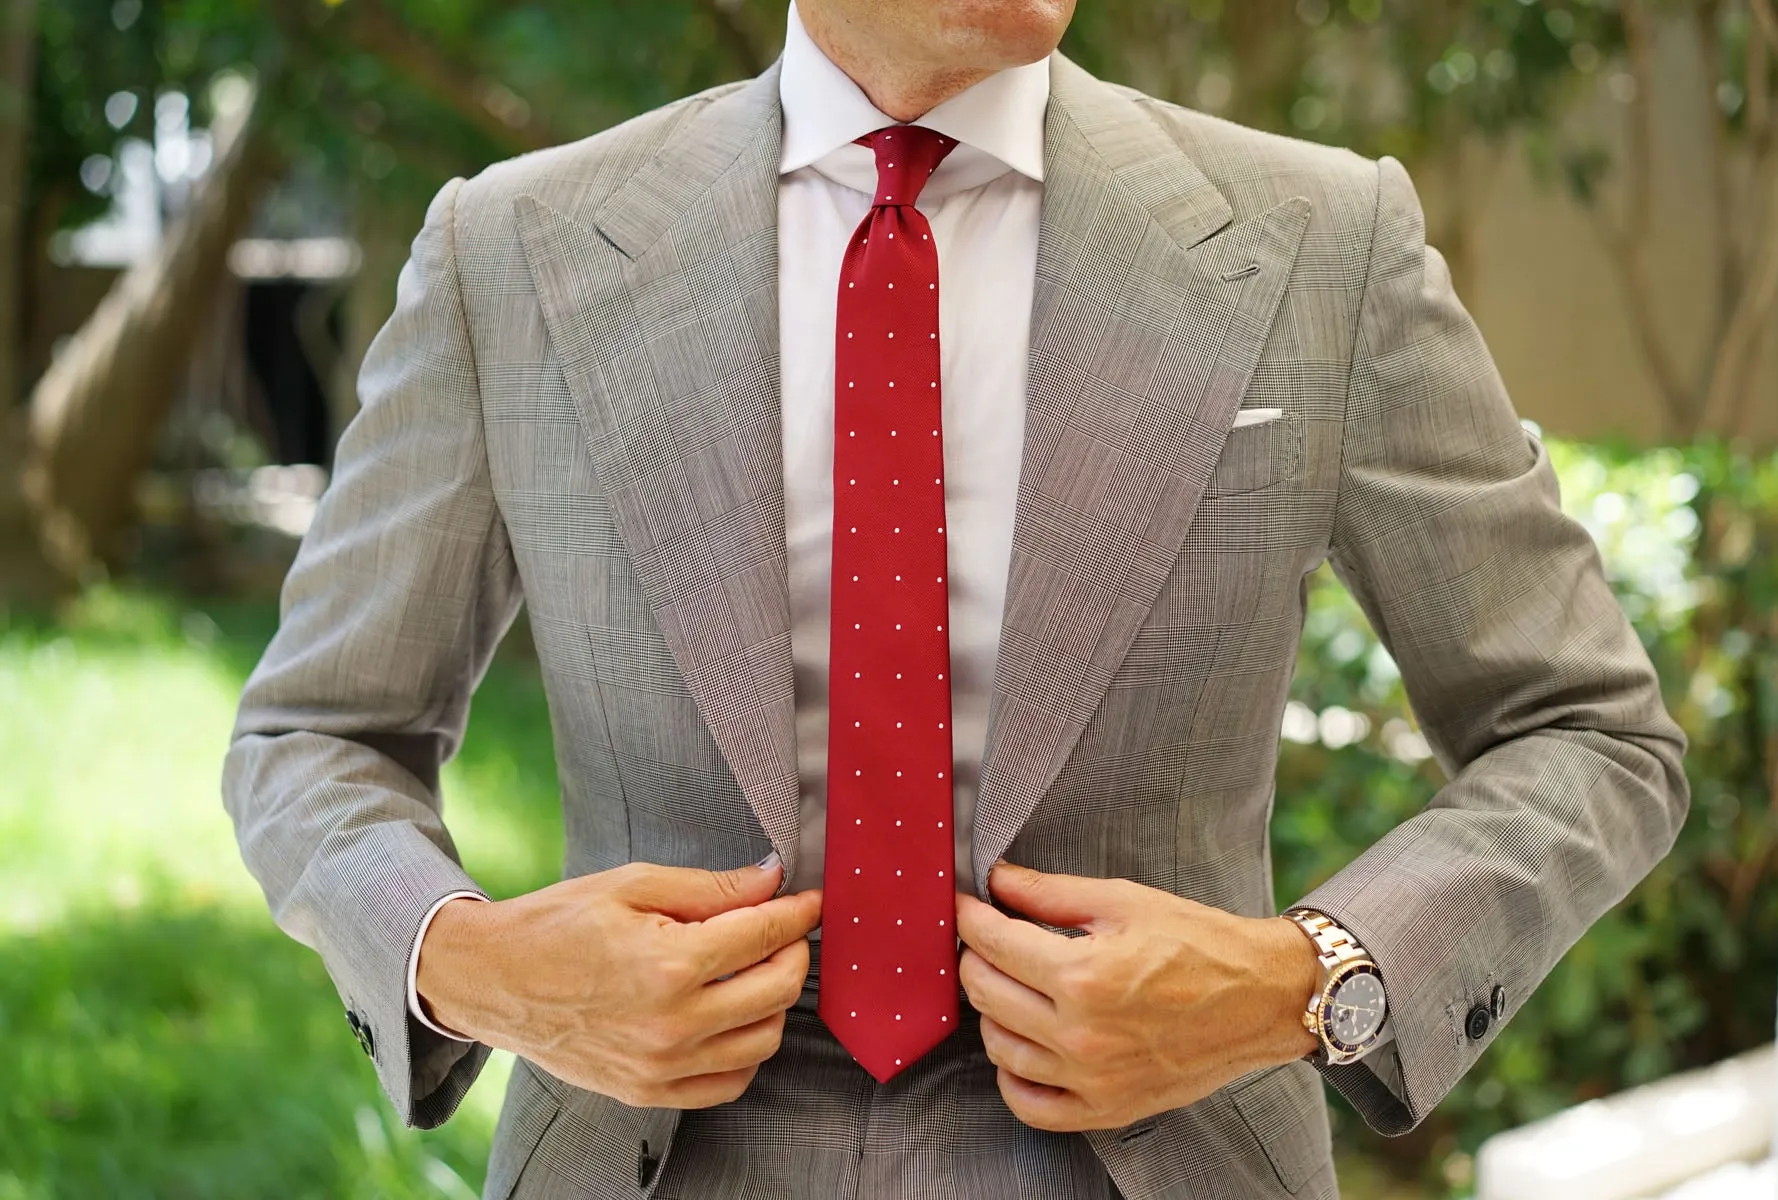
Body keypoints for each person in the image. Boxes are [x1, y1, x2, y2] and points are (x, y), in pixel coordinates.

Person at [222, 1, 1690, 1196]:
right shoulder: (515, 253)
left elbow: (1590, 732)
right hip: (648, 1160)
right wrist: (473, 965)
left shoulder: (1326, 248)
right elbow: (313, 738)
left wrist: (1296, 983)